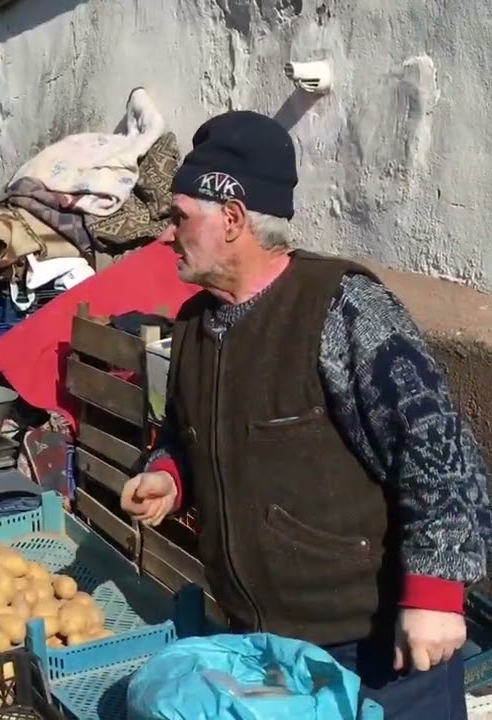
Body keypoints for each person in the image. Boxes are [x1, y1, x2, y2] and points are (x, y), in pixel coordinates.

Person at [118, 110, 488, 720]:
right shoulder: (191, 326)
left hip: (376, 653)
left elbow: (438, 446)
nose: (167, 234)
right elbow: (187, 434)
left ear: (232, 217)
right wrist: (169, 475)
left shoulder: (342, 308)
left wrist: (436, 593)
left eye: (180, 216)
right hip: (262, 653)